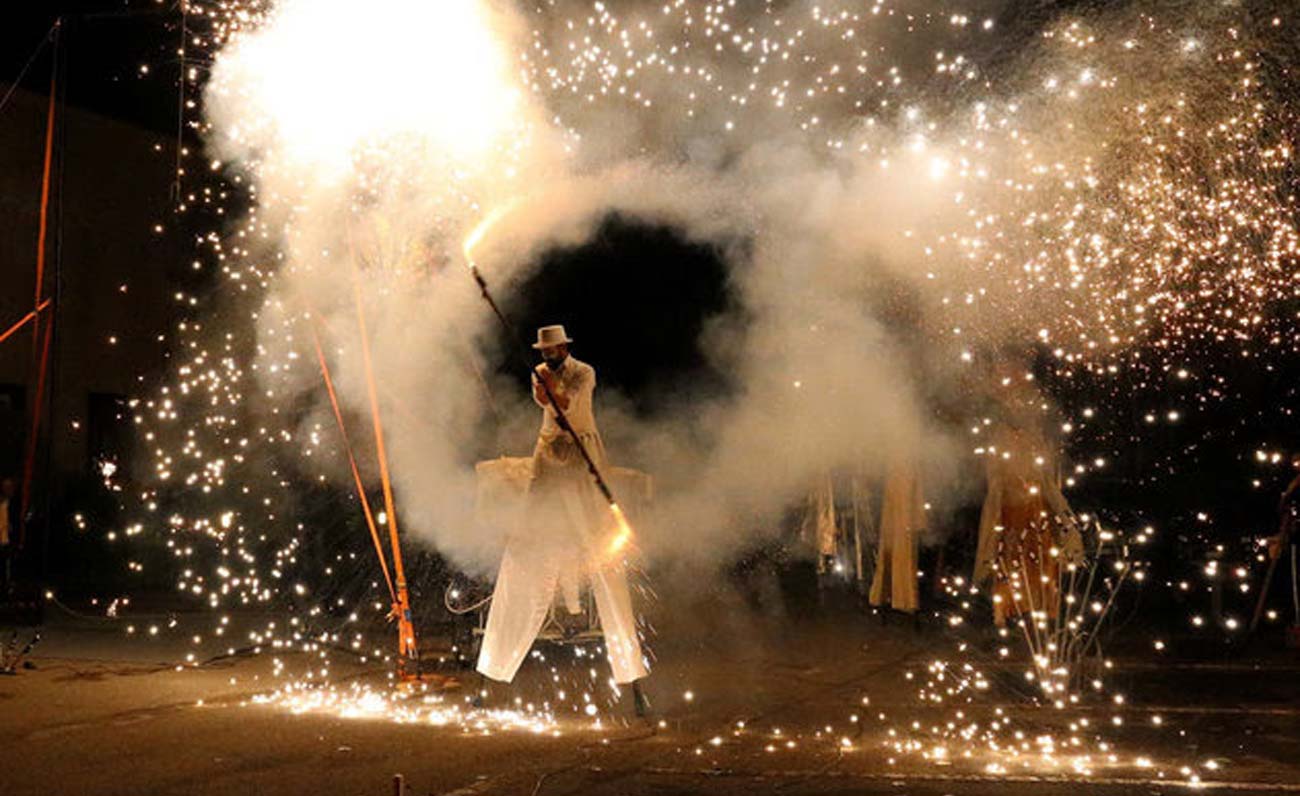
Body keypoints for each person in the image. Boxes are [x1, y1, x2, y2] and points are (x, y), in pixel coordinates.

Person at [476, 325, 648, 687]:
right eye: (543, 351)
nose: (546, 356)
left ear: (563, 348)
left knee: (598, 537)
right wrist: (543, 388)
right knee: (531, 533)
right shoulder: (539, 371)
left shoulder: (584, 372)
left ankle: (629, 671)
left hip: (581, 448)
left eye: (551, 350)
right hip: (549, 450)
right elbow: (545, 403)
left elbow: (565, 405)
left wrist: (549, 389)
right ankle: (496, 665)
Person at [0, 477, 14, 593]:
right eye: (6, 487)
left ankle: (6, 586)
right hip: (2, 537)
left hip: (6, 539)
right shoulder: (2, 503)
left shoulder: (12, 504)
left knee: (7, 563)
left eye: (9, 487)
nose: (8, 489)